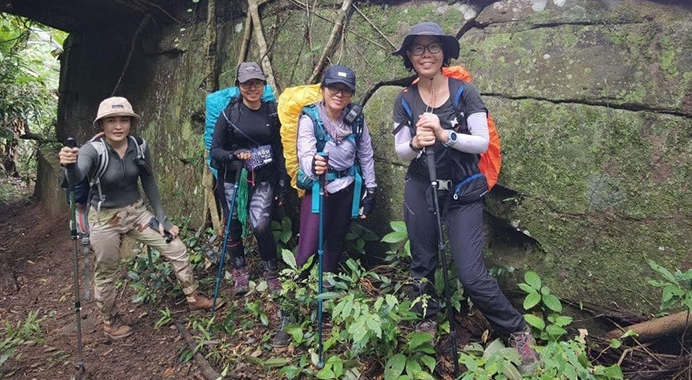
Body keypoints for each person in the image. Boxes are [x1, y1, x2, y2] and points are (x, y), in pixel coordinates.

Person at [391, 22, 540, 371]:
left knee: (472, 273)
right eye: (418, 49)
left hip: (462, 189)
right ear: (409, 57)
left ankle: (517, 330)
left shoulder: (464, 93)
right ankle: (426, 319)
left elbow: (481, 142)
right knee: (422, 261)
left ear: (444, 53)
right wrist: (415, 143)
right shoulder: (405, 99)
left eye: (433, 48)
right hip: (421, 186)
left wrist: (444, 134)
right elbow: (400, 150)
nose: (425, 55)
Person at [59, 97, 221, 341]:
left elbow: (149, 180)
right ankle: (110, 321)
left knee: (176, 247)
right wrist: (68, 164)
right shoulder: (93, 150)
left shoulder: (140, 146)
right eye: (111, 121)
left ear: (131, 122)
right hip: (103, 218)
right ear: (101, 124)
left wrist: (162, 218)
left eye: (124, 120)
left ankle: (193, 297)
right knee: (107, 270)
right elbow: (77, 176)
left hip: (136, 213)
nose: (118, 126)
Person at [209, 62, 288, 295]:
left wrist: (282, 184)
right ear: (239, 85)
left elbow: (280, 149)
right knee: (232, 226)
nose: (252, 87)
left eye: (257, 82)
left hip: (263, 177)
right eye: (246, 83)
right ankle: (240, 272)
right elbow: (215, 150)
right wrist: (235, 155)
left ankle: (271, 273)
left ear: (263, 84)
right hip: (232, 179)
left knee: (261, 226)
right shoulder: (229, 114)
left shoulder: (272, 112)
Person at [294, 65, 377, 272]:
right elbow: (305, 152)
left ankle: (328, 280)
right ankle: (298, 284)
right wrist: (313, 164)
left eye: (346, 90)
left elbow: (365, 153)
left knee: (336, 239)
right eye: (333, 88)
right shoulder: (310, 118)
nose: (339, 94)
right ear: (323, 89)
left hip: (348, 187)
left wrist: (371, 189)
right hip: (319, 188)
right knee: (309, 245)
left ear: (351, 94)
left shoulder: (356, 119)